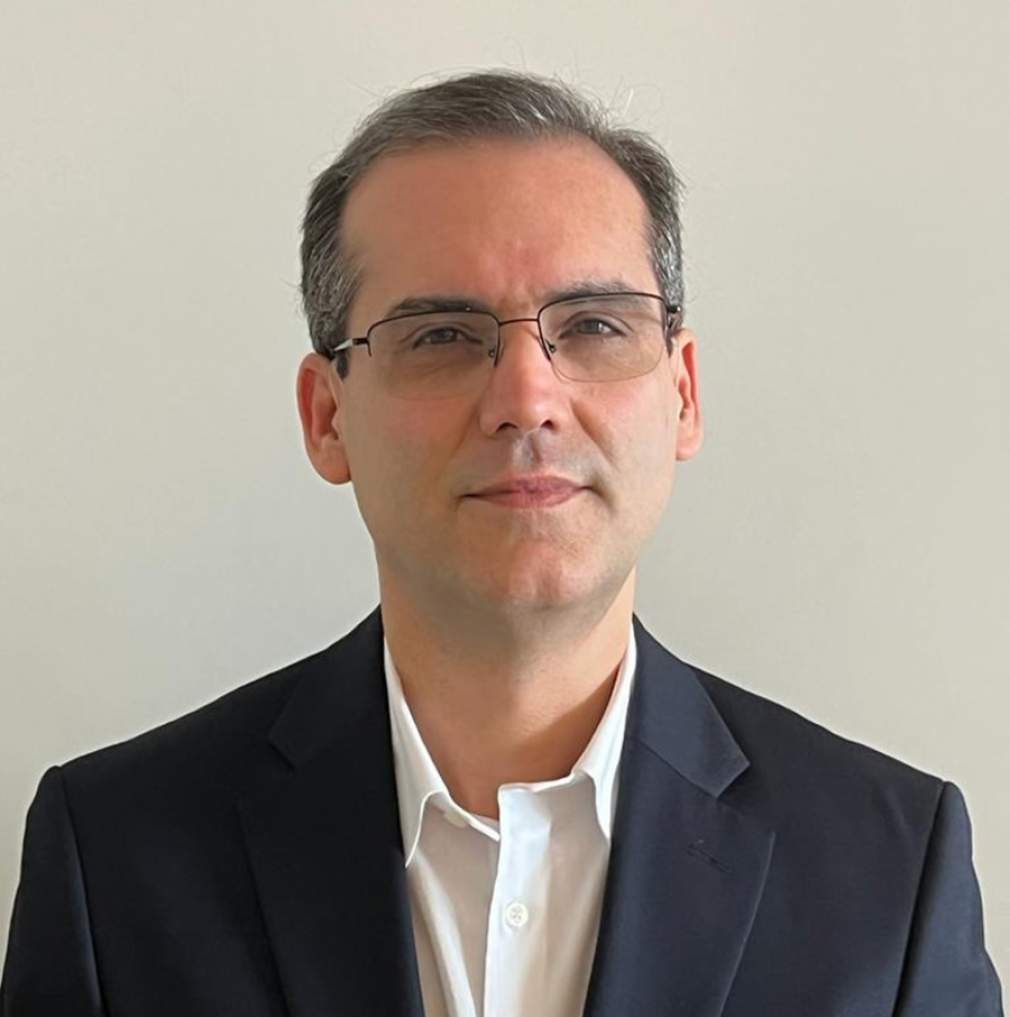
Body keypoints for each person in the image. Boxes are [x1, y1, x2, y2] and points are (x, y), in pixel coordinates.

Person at [1, 69, 1003, 1017]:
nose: (527, 397)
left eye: (595, 325)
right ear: (326, 417)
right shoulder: (115, 860)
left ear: (683, 393)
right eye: (441, 335)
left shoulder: (890, 872)